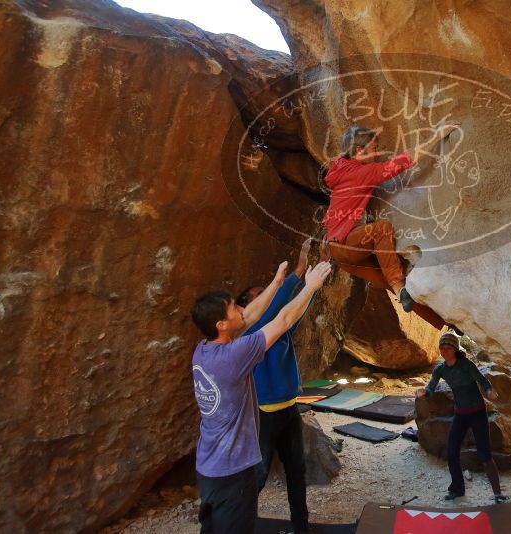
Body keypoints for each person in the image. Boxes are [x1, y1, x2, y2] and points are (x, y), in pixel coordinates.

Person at [190, 260, 332, 534]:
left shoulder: (204, 350)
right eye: (234, 308)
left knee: (210, 528)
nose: (242, 309)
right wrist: (311, 287)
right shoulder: (235, 355)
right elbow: (283, 320)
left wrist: (279, 281)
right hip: (233, 471)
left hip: (209, 467)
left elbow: (252, 316)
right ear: (221, 324)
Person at [321, 122, 463, 335]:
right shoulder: (362, 172)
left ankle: (446, 322)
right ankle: (398, 285)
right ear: (359, 152)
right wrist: (437, 135)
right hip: (346, 246)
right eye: (374, 149)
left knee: (404, 284)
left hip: (342, 254)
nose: (378, 153)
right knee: (382, 231)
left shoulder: (341, 166)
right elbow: (405, 161)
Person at [235, 238, 313, 534]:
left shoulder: (279, 330)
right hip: (263, 416)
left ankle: (301, 527)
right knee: (257, 477)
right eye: (259, 297)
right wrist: (301, 272)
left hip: (288, 412)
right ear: (246, 309)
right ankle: (234, 525)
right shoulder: (249, 332)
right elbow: (277, 309)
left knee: (297, 472)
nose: (268, 297)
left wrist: (311, 283)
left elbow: (293, 310)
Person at [416, 332, 510, 504]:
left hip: (477, 413)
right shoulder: (441, 369)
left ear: (455, 349)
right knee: (452, 451)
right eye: (442, 348)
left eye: (448, 348)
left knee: (484, 454)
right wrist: (424, 393)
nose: (444, 351)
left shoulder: (466, 365)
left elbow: (483, 380)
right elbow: (431, 387)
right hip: (460, 414)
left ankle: (497, 493)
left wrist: (489, 390)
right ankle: (457, 489)